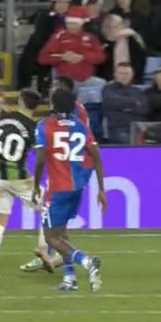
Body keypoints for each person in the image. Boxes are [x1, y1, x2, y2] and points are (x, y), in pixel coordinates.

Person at [32, 89, 105, 292]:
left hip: (57, 189)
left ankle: (86, 261)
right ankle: (69, 279)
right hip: (77, 188)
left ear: (53, 105)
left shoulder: (44, 126)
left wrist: (36, 184)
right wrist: (101, 189)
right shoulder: (81, 126)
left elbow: (40, 160)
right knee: (61, 232)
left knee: (50, 238)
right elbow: (96, 157)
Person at [0, 90, 42, 278]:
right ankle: (42, 250)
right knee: (50, 209)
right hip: (20, 179)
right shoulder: (34, 128)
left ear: (20, 101)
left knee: (0, 221)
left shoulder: (1, 120)